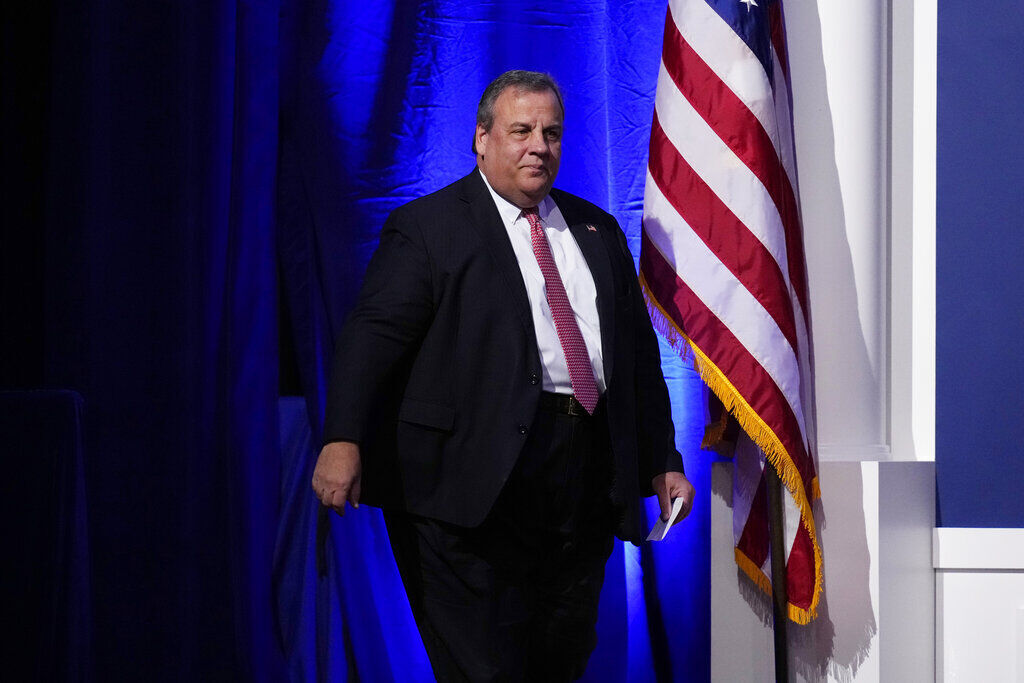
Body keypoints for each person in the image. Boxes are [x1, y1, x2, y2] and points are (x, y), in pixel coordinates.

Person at [311, 70, 694, 681]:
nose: (539, 146)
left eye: (551, 133)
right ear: (482, 139)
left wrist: (662, 458)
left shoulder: (596, 232)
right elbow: (372, 339)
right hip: (465, 486)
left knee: (560, 661)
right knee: (484, 669)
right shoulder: (429, 229)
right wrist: (342, 437)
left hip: (581, 479)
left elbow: (639, 363)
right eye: (521, 131)